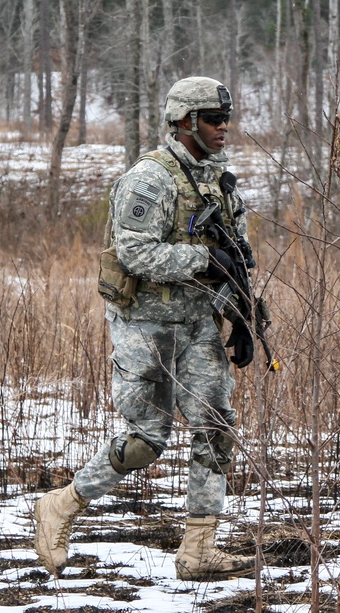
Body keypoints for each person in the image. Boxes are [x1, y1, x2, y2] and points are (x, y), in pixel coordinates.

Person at [34, 76, 260, 581]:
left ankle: (198, 550)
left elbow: (238, 259)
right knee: (146, 441)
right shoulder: (148, 180)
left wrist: (243, 315)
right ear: (184, 122)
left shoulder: (217, 181)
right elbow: (135, 253)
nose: (224, 128)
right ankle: (62, 505)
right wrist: (204, 257)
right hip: (147, 326)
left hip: (199, 323)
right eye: (213, 120)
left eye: (226, 119)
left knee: (217, 428)